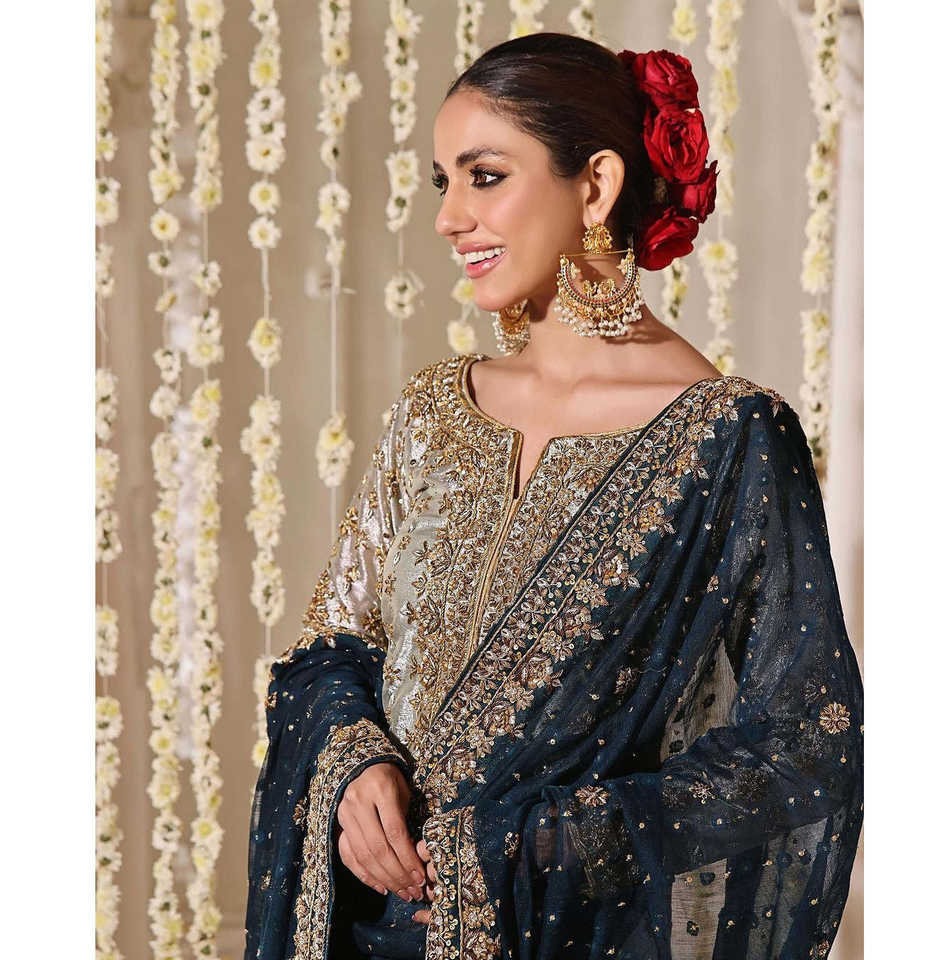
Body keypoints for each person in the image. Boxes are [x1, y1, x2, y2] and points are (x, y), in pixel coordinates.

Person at [244, 33, 863, 960]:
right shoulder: (433, 410)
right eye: (443, 183)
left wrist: (539, 845)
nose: (449, 218)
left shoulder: (727, 440)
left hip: (565, 936)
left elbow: (805, 743)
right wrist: (355, 762)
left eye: (485, 176)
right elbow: (331, 642)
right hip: (366, 930)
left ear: (597, 186)